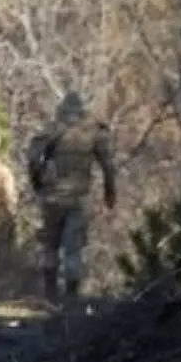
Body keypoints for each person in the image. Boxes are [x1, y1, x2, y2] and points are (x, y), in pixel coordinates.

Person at [27, 91, 116, 305]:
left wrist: (38, 185)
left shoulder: (51, 129)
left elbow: (33, 160)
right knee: (73, 248)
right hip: (78, 199)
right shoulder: (93, 131)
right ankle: (71, 297)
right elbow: (108, 165)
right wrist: (110, 193)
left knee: (50, 246)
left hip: (52, 198)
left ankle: (50, 295)